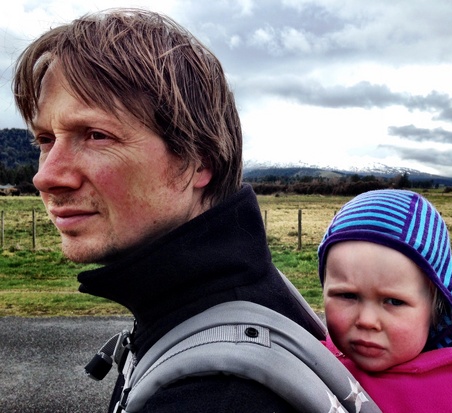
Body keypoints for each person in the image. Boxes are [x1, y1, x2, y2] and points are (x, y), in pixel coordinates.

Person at [12, 8, 326, 412]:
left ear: (198, 161)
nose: (45, 176)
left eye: (96, 135)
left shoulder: (216, 398)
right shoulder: (234, 297)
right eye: (45, 139)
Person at [317, 189, 452, 412]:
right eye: (347, 295)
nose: (367, 321)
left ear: (436, 309)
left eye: (393, 301)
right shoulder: (312, 356)